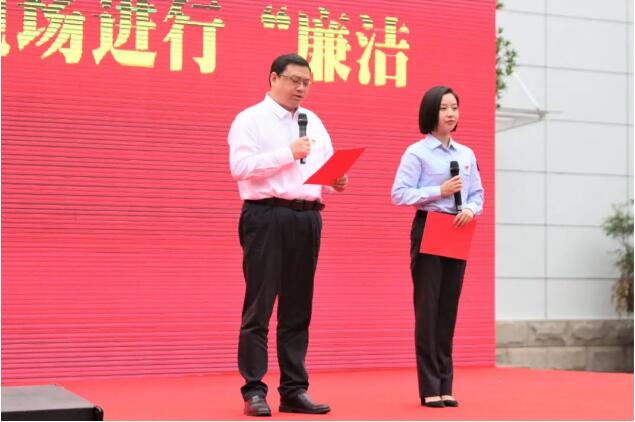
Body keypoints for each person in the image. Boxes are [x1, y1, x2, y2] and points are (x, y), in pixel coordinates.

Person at [228, 53, 348, 417]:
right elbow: (240, 167)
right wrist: (287, 153)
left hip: (307, 217)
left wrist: (336, 179)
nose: (301, 88)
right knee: (260, 306)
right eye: (295, 80)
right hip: (266, 216)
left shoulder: (314, 121)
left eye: (306, 83)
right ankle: (254, 390)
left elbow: (324, 166)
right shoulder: (250, 119)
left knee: (298, 309)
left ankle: (294, 390)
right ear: (273, 78)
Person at [391, 86, 484, 408]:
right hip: (430, 227)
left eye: (454, 107)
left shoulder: (466, 154)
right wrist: (438, 190)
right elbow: (399, 193)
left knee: (448, 309)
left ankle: (446, 385)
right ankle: (430, 386)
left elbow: (477, 194)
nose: (450, 113)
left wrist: (470, 208)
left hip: (458, 229)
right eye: (444, 108)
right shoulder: (416, 153)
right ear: (431, 112)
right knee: (428, 309)